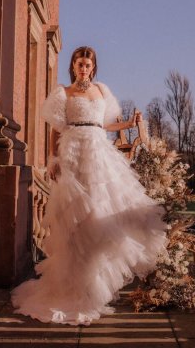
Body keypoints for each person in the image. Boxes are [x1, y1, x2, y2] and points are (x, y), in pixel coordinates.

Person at [11, 46, 168, 325]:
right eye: (79, 64)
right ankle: (73, 287)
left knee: (102, 212)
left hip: (99, 153)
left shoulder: (101, 91)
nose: (83, 68)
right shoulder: (64, 93)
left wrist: (129, 124)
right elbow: (56, 129)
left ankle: (94, 284)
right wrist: (54, 158)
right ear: (73, 66)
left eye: (87, 64)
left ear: (93, 67)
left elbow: (103, 125)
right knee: (77, 218)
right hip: (73, 152)